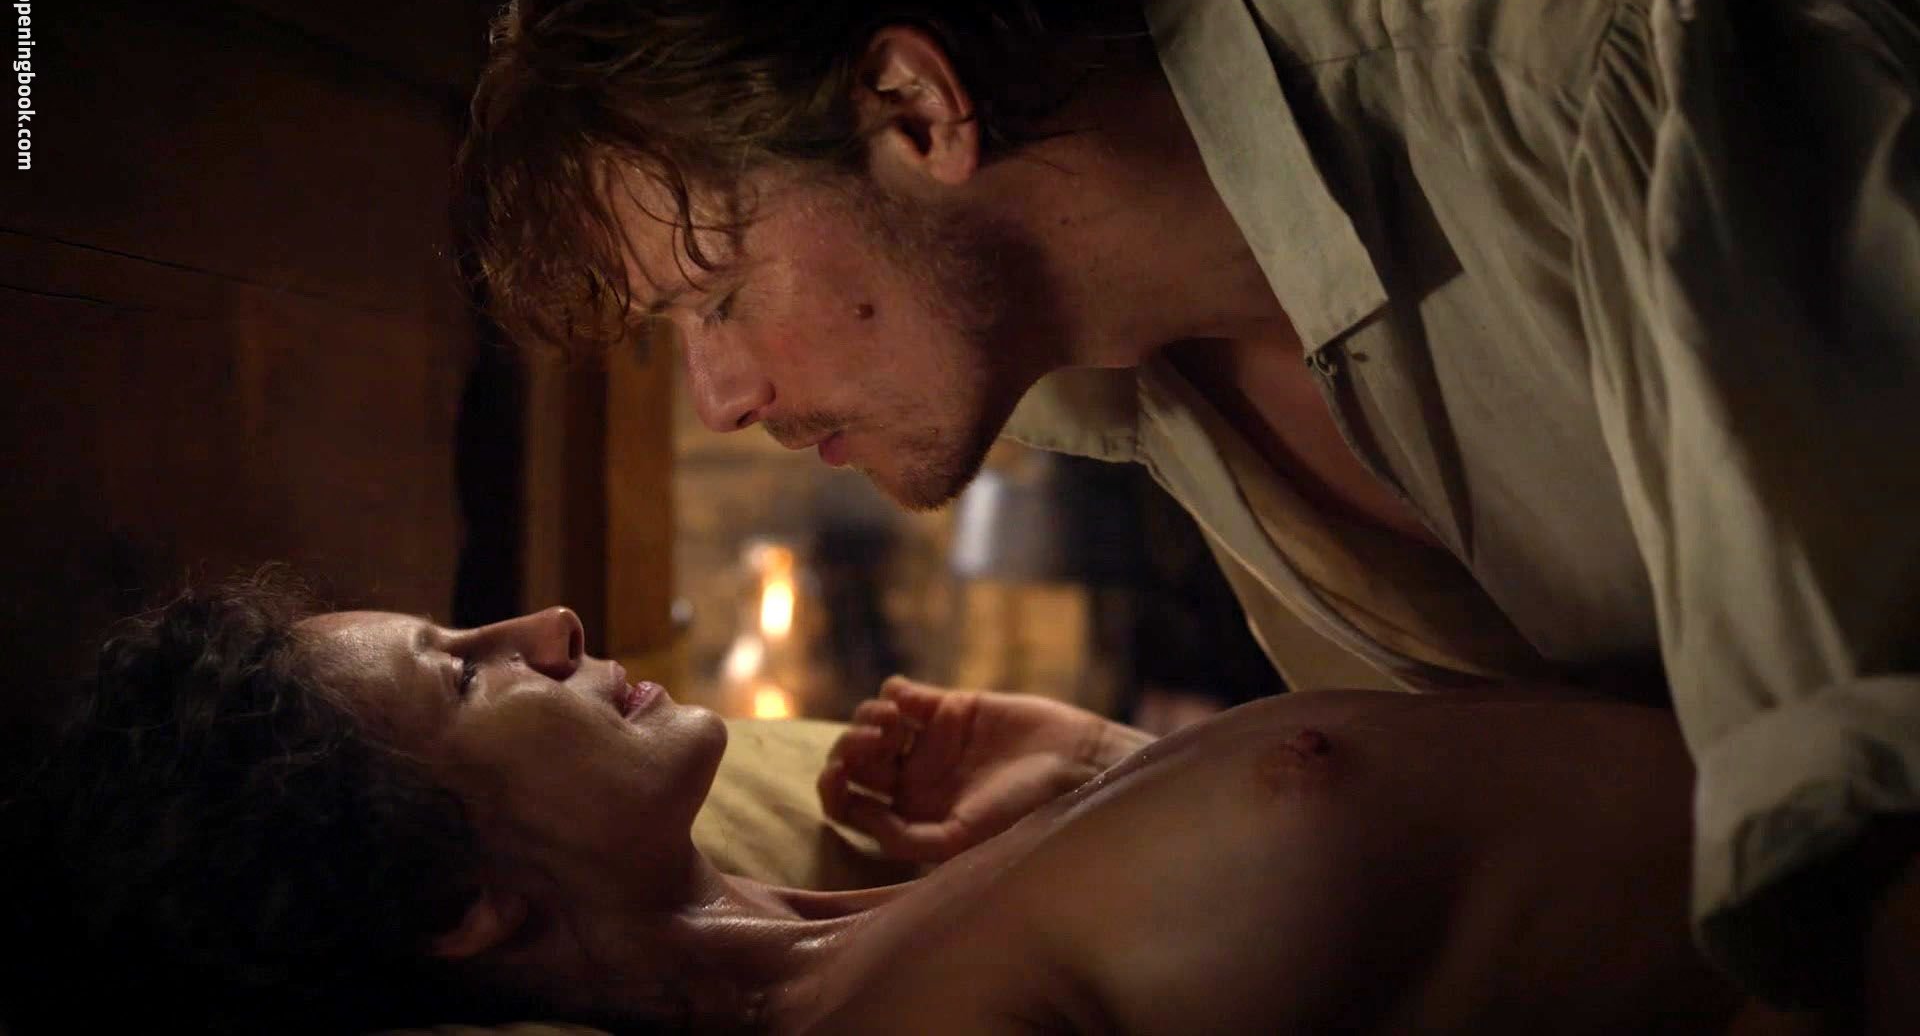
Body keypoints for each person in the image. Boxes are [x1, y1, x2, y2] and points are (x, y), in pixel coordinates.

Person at [454, 0, 1920, 1024]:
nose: (720, 397)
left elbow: (1873, 820)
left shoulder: (1577, 71)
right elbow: (1596, 803)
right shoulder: (1128, 381)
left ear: (916, 109)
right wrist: (1125, 793)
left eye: (715, 297)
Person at [2, 580, 1764, 1034]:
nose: (548, 626)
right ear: (462, 901)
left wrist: (1096, 774)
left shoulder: (860, 930)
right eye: (469, 677)